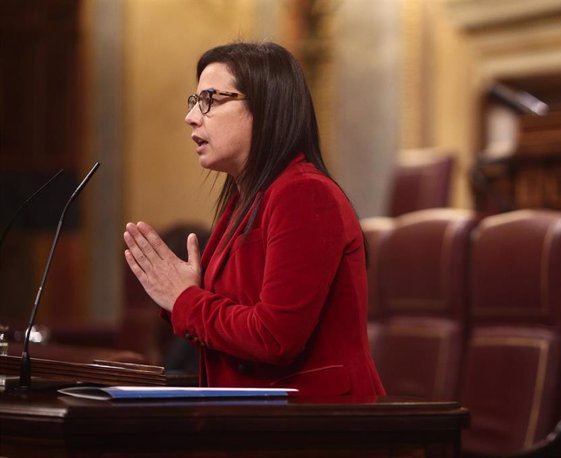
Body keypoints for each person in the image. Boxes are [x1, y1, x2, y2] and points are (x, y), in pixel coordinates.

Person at [123, 42, 385, 397]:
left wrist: (186, 298)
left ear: (265, 108)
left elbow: (275, 337)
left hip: (317, 425)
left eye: (211, 101)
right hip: (256, 418)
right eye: (194, 101)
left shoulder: (305, 194)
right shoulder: (245, 198)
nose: (192, 116)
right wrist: (186, 295)